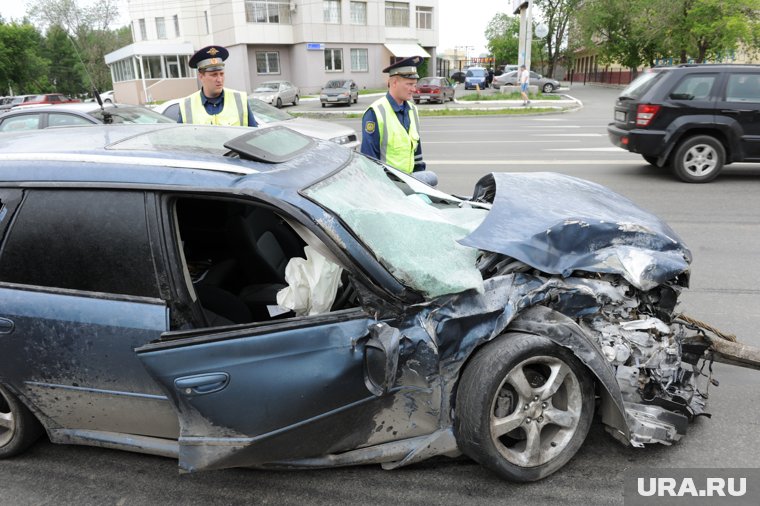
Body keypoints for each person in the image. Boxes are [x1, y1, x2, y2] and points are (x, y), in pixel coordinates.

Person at [361, 56, 426, 175]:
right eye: (409, 84)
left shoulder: (413, 110)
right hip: (388, 186)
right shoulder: (375, 112)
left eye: (415, 84)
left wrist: (420, 181)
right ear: (394, 83)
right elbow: (368, 161)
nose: (413, 89)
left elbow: (417, 153)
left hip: (411, 182)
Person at [178, 45, 257, 126]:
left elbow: (255, 135)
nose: (219, 79)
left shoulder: (240, 99)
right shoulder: (187, 105)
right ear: (201, 77)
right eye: (214, 75)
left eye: (221, 74)